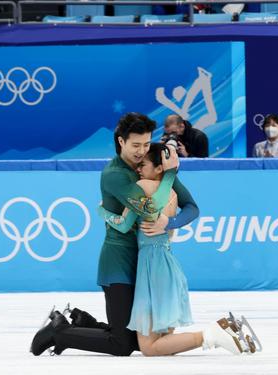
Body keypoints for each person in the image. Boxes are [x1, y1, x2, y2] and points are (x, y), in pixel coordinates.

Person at [30, 113, 234, 357]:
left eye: (146, 144)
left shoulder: (153, 167)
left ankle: (83, 322)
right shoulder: (115, 175)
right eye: (136, 145)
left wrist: (169, 222)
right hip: (120, 261)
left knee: (142, 339)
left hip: (148, 264)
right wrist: (169, 175)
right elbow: (149, 208)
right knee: (124, 344)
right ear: (121, 142)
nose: (141, 151)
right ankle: (58, 333)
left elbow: (192, 207)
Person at [98, 144, 251, 356]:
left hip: (152, 267)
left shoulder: (142, 186)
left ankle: (213, 334)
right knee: (162, 343)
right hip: (168, 266)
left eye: (143, 165)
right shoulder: (171, 193)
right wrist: (169, 217)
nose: (138, 169)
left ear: (159, 168)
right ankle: (218, 334)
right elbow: (175, 207)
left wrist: (103, 211)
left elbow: (124, 224)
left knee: (149, 348)